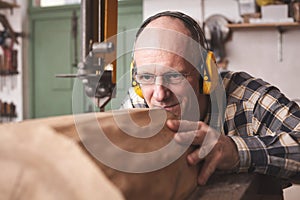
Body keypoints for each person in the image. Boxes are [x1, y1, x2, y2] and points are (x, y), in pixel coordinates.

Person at [120, 11, 300, 186]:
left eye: (175, 76)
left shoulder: (248, 99)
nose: (159, 95)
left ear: (206, 73)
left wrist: (236, 151)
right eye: (146, 77)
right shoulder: (138, 104)